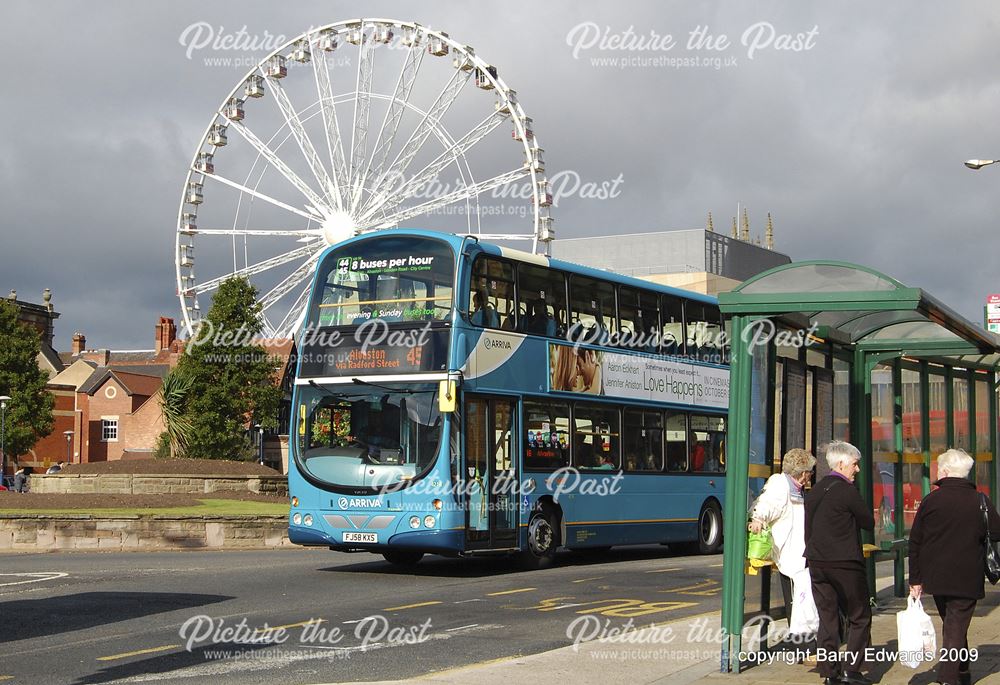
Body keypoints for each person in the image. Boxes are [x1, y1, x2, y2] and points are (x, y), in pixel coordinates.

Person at [909, 448, 1000, 685]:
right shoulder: (980, 500)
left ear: (946, 471)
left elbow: (915, 541)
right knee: (955, 625)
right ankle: (953, 674)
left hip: (937, 576)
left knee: (953, 624)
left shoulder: (931, 501)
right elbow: (997, 532)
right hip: (967, 576)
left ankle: (956, 672)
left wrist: (915, 580)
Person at [804, 440, 875, 685]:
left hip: (816, 561)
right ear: (842, 464)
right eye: (855, 465)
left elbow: (809, 527)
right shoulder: (848, 491)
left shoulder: (815, 490)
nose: (857, 470)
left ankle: (829, 673)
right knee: (860, 615)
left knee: (828, 617)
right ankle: (851, 670)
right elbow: (868, 522)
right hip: (844, 561)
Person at [748, 448, 818, 636]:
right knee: (796, 602)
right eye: (810, 472)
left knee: (801, 601)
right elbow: (766, 504)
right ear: (803, 473)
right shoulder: (780, 484)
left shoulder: (796, 488)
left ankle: (804, 641)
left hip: (799, 554)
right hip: (790, 555)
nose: (811, 476)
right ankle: (802, 645)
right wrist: (758, 519)